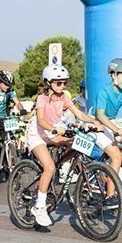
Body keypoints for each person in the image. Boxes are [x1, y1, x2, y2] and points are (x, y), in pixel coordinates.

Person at [28, 64, 99, 227]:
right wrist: (53, 128)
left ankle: (66, 167)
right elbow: (40, 120)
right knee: (49, 167)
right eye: (58, 83)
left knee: (76, 141)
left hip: (53, 132)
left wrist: (94, 121)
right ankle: (39, 206)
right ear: (48, 82)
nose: (62, 86)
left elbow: (79, 114)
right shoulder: (42, 98)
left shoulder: (64, 97)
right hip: (38, 133)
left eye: (65, 82)